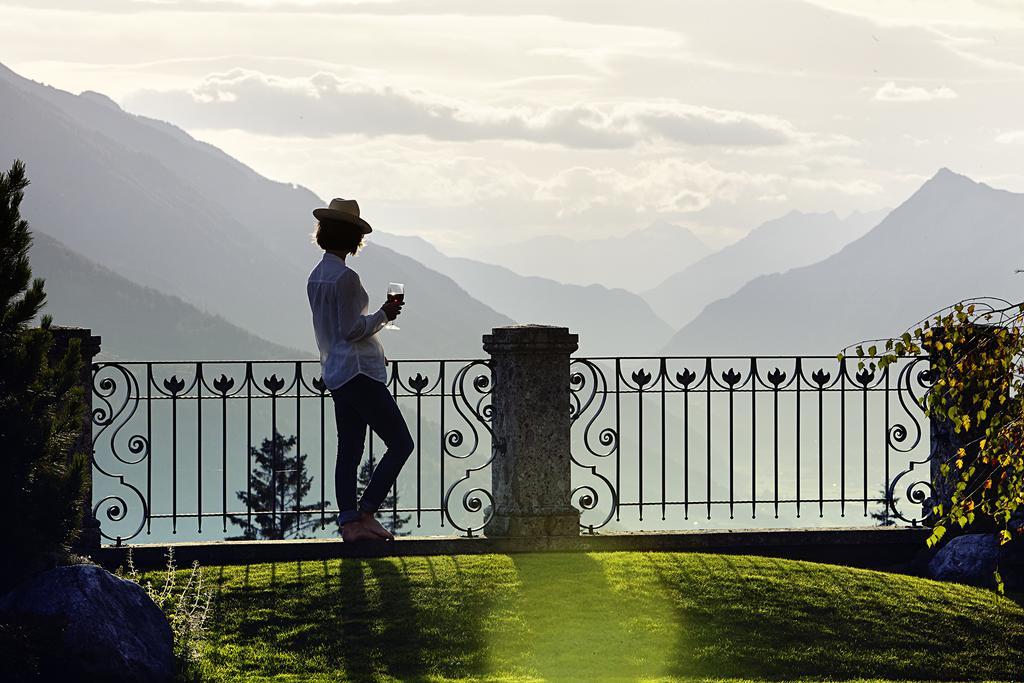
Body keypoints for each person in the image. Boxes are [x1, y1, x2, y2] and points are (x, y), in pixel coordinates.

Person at [307, 198, 413, 542]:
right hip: (359, 374)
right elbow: (352, 329)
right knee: (400, 443)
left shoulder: (316, 276)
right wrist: (383, 314)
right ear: (353, 238)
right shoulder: (346, 278)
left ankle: (350, 522)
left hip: (336, 372)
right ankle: (366, 512)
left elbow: (334, 330)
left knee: (349, 451)